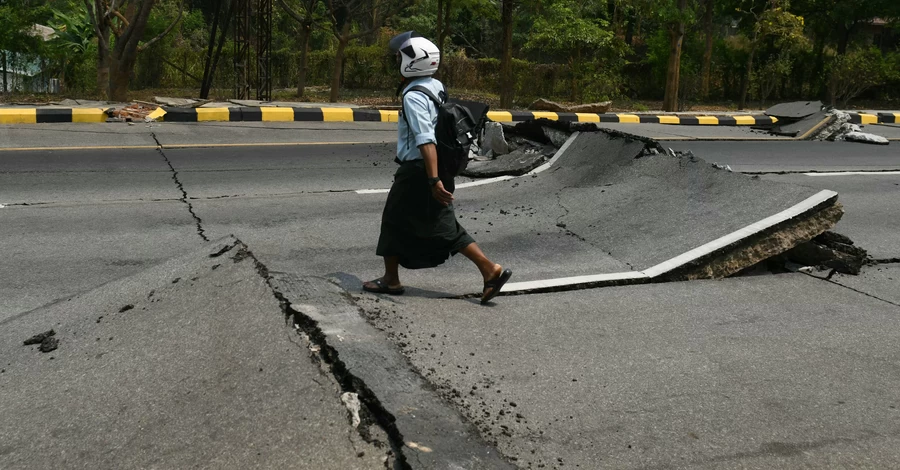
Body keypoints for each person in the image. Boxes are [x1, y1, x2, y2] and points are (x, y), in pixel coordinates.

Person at [363, 31, 512, 305]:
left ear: (413, 62)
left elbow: (425, 139)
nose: (395, 61)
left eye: (399, 57)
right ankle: (486, 270)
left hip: (419, 171)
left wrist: (432, 180)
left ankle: (488, 270)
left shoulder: (413, 97)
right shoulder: (435, 85)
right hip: (433, 168)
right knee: (427, 223)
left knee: (408, 222)